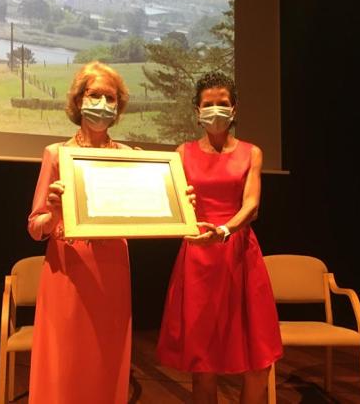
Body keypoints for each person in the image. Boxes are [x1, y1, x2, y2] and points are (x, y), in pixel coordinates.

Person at [157, 72, 283, 404]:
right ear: (197, 111)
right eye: (208, 104)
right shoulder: (181, 153)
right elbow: (175, 204)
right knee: (203, 361)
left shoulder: (251, 153)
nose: (216, 111)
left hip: (239, 253)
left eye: (222, 104)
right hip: (198, 256)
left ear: (234, 109)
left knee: (257, 358)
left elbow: (251, 205)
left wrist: (225, 230)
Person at [27, 61, 133, 403]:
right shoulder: (56, 154)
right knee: (65, 360)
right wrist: (55, 209)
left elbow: (145, 215)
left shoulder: (131, 159)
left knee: (107, 356)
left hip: (113, 271)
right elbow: (35, 227)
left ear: (118, 107)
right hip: (67, 272)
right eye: (94, 94)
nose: (102, 103)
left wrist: (177, 203)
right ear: (78, 100)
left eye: (110, 97)